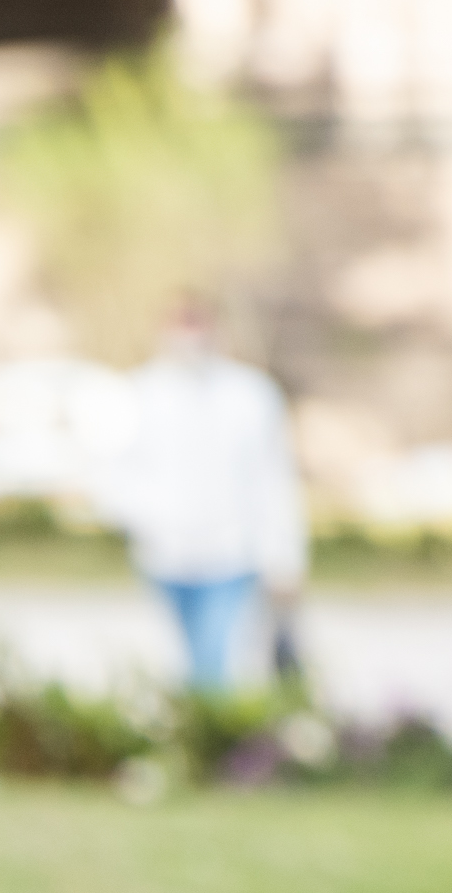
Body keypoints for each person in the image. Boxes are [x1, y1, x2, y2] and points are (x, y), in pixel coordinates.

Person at [98, 295, 308, 696]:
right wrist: (153, 516)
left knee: (213, 661)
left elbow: (273, 480)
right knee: (185, 658)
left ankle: (211, 743)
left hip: (231, 553)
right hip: (167, 554)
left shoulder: (251, 394)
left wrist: (285, 557)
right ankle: (202, 737)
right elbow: (113, 477)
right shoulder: (141, 393)